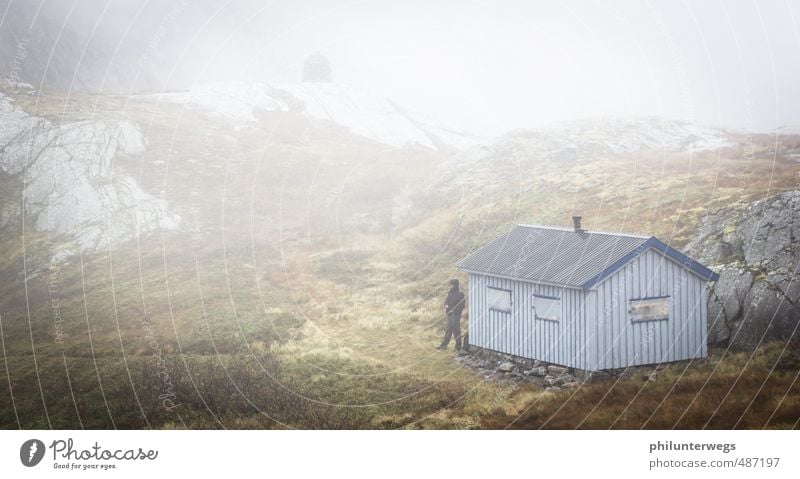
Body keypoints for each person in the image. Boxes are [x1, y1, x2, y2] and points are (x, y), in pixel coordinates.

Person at [437, 279, 465, 351]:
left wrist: (453, 310)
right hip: (449, 314)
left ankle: (458, 347)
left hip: (456, 315)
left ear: (455, 285)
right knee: (448, 330)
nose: (450, 286)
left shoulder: (460, 294)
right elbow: (447, 300)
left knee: (456, 330)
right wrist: (446, 305)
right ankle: (444, 345)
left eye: (451, 285)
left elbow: (462, 305)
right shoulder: (450, 292)